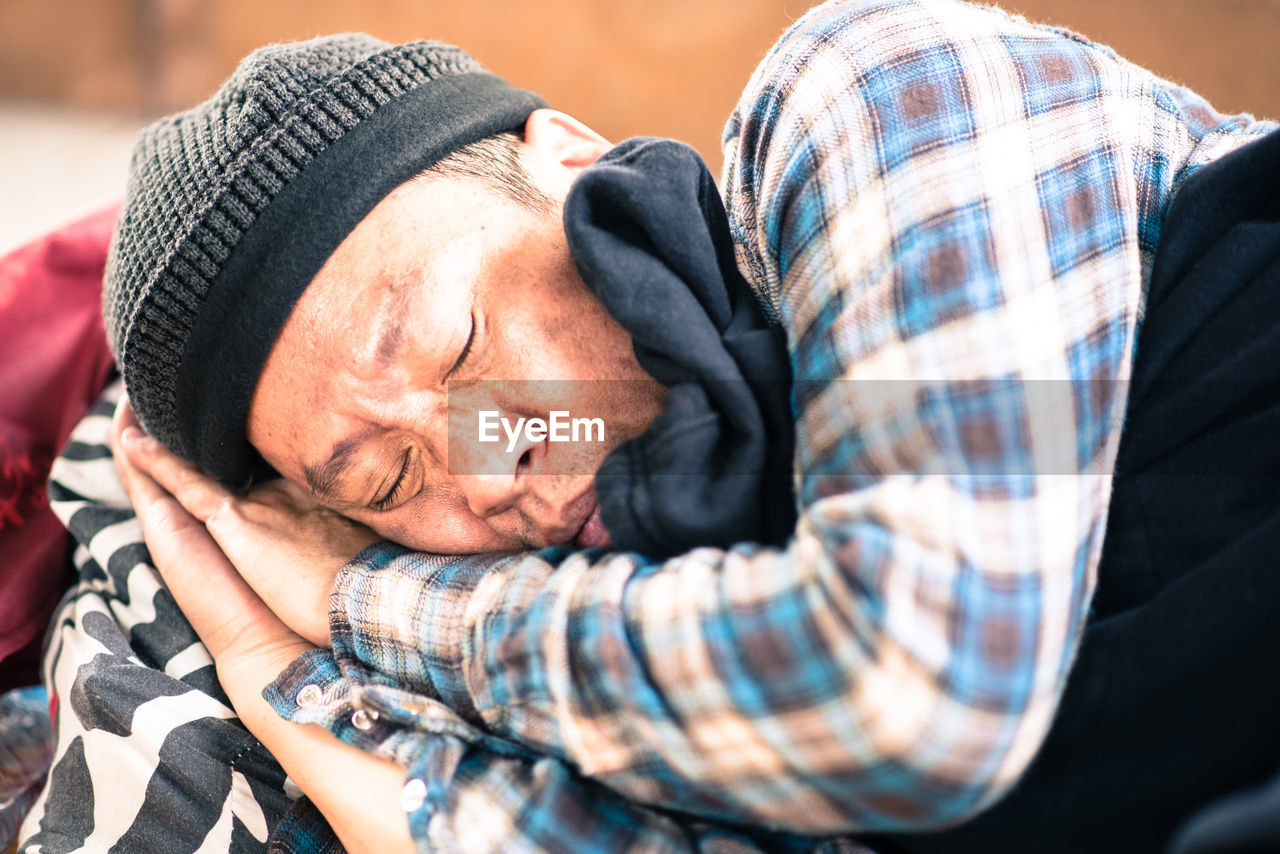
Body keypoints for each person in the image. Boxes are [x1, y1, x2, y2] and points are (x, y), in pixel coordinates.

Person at [21, 0, 1280, 852]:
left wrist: (354, 599)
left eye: (459, 341)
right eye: (388, 472)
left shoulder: (868, 95)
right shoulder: (653, 659)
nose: (489, 452)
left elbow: (913, 686)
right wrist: (263, 665)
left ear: (563, 158)